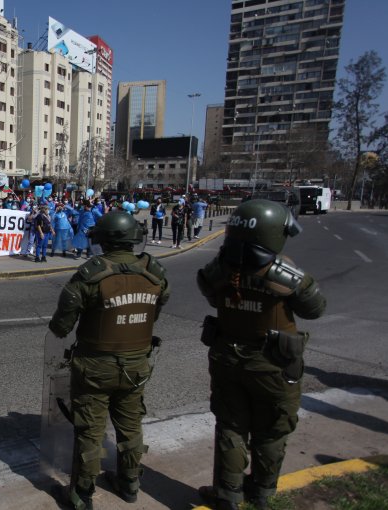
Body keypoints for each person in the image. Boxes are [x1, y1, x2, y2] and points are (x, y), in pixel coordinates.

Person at [196, 200, 326, 510]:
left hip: (228, 356)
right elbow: (315, 308)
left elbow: (210, 292)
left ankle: (228, 493)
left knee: (231, 426)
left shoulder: (220, 269)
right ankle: (263, 493)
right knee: (272, 429)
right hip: (273, 364)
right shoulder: (286, 276)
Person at [48, 211, 170, 510]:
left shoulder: (91, 274)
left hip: (95, 367)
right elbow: (157, 307)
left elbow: (61, 326)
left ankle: (82, 493)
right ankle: (130, 483)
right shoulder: (154, 271)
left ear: (102, 240)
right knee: (130, 425)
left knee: (90, 429)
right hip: (136, 364)